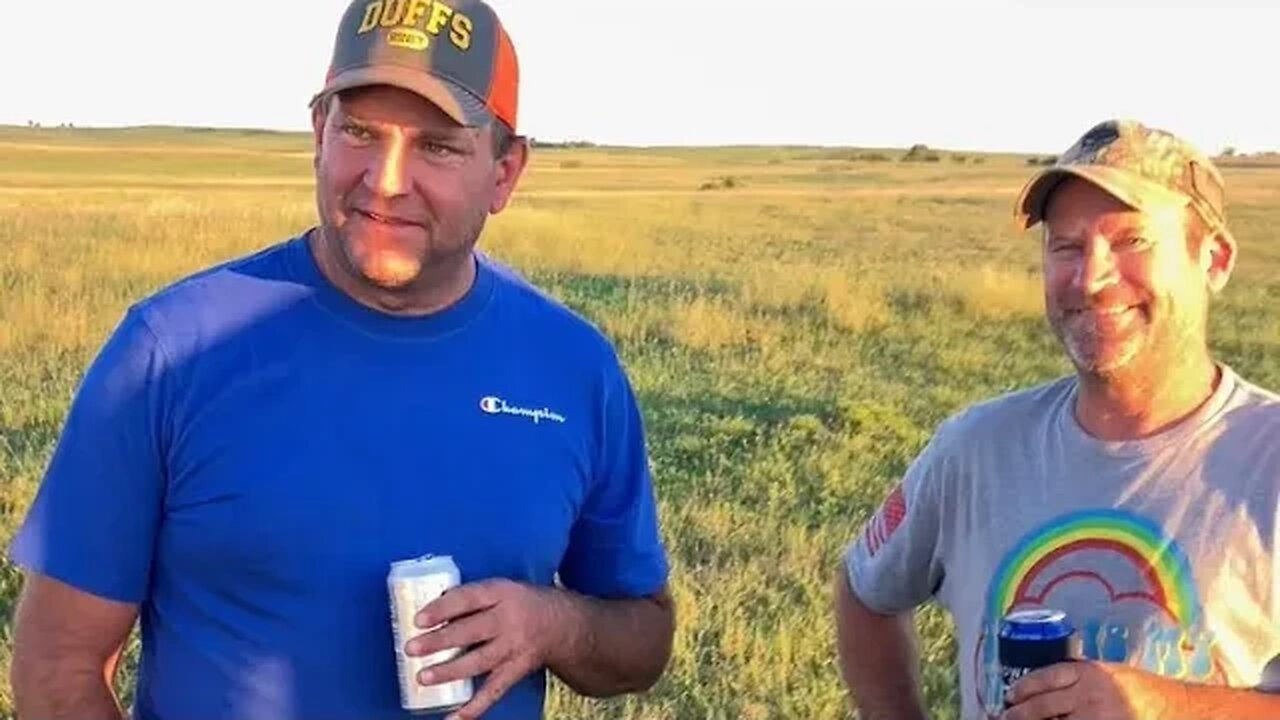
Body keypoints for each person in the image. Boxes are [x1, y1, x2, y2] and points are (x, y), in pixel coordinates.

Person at [7, 1, 674, 718]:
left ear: (504, 172)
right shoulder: (171, 352)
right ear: (319, 133)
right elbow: (58, 664)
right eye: (359, 131)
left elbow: (644, 637)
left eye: (437, 146)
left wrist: (554, 624)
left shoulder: (572, 368)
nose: (385, 181)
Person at [834, 119, 1280, 720]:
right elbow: (865, 592)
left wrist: (1166, 706)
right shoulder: (975, 448)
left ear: (1214, 259)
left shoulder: (1267, 462)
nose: (1091, 279)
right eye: (1065, 246)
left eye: (1133, 242)